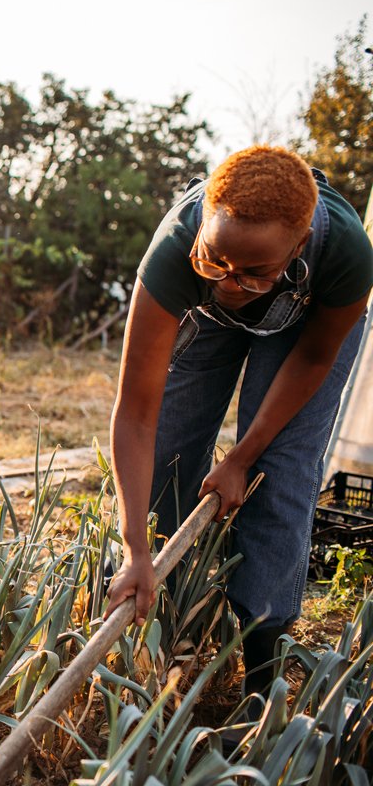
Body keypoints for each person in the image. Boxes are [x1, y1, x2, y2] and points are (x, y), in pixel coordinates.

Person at [105, 146, 373, 711]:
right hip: (203, 322)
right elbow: (136, 413)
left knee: (280, 476)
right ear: (203, 228)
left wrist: (241, 459)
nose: (230, 283)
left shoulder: (346, 254)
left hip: (300, 330)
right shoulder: (177, 254)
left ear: (296, 247)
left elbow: (312, 361)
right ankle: (161, 638)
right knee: (169, 462)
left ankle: (262, 669)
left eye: (253, 271)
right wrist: (135, 547)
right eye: (216, 261)